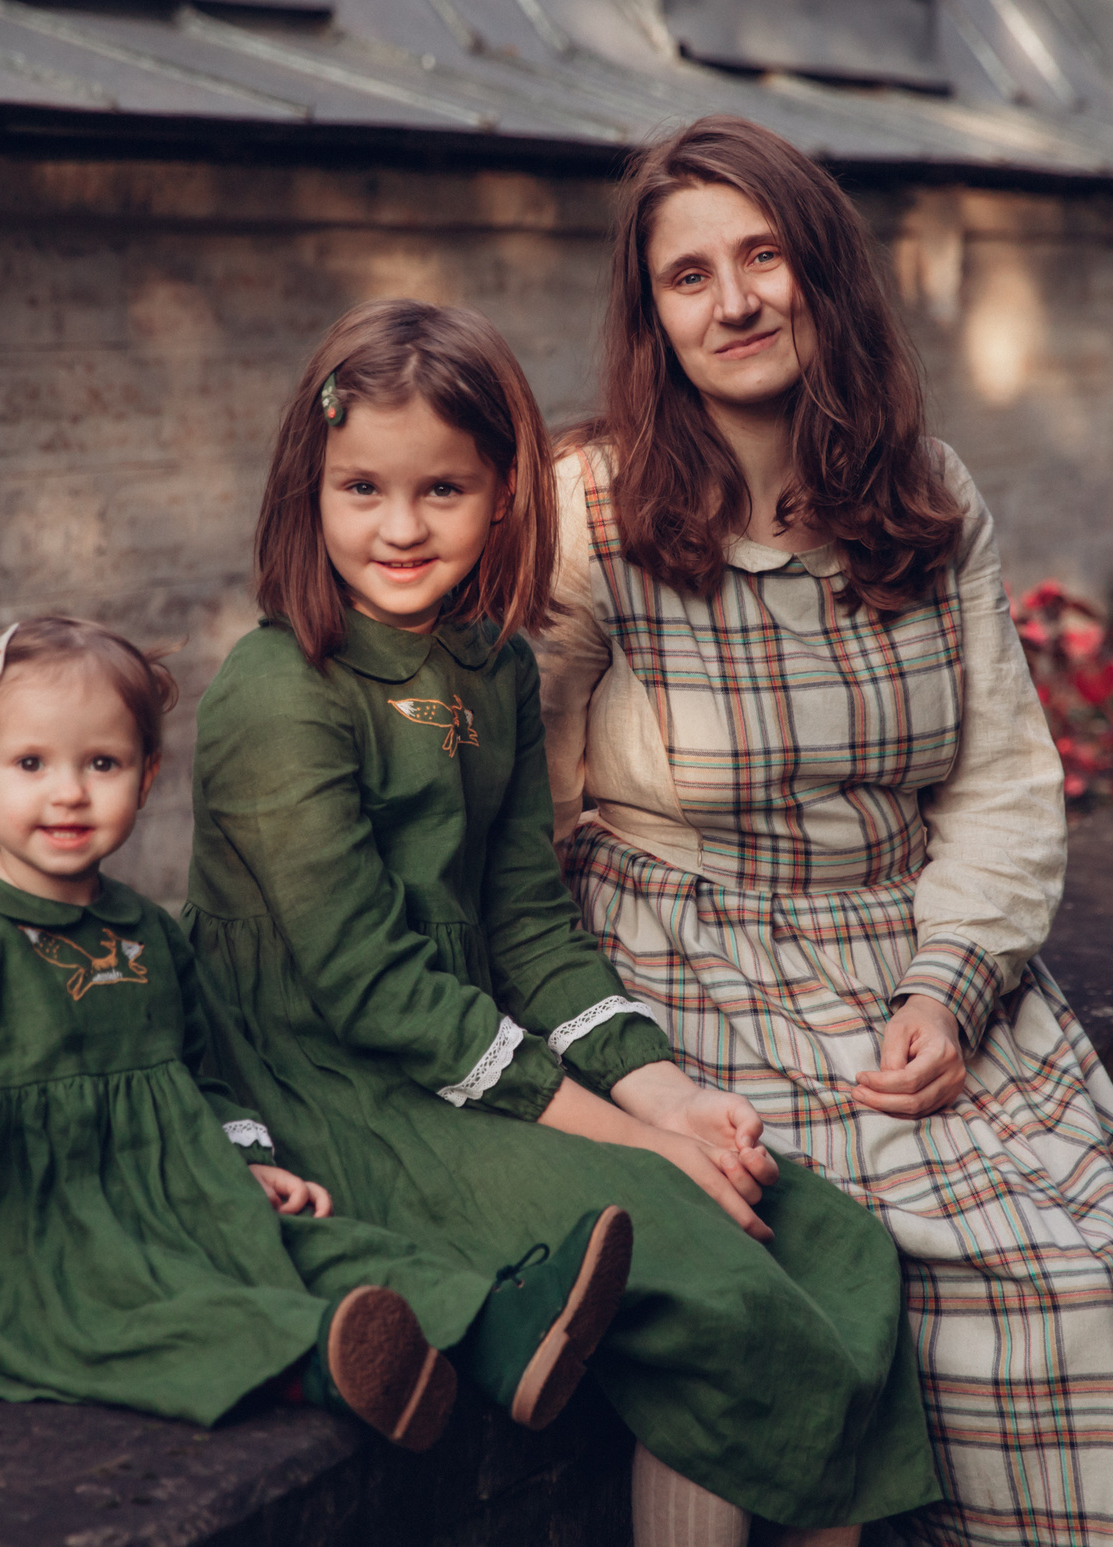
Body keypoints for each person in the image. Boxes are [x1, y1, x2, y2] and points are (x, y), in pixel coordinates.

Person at [535, 116, 1113, 1547]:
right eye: (688, 275)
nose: (732, 302)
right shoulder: (590, 507)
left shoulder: (926, 492)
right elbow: (508, 806)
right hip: (690, 955)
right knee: (820, 1268)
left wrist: (950, 981)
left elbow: (1005, 779)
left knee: (1086, 1279)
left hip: (905, 947)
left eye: (763, 256)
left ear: (822, 271)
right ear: (651, 315)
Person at [185, 298, 943, 1546]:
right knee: (692, 1262)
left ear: (503, 497)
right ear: (305, 491)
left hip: (464, 1064)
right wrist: (626, 1145)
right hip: (340, 1089)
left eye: (444, 489)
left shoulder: (488, 665)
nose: (399, 526)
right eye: (361, 488)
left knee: (831, 1241)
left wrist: (664, 1100)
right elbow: (371, 992)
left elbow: (529, 922)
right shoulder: (278, 698)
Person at [0, 614, 630, 1448]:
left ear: (148, 777)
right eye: (31, 763)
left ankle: (500, 1328)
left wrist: (248, 1159)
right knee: (142, 1302)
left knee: (305, 1241)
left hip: (155, 1189)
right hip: (23, 1210)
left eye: (101, 763)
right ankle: (324, 1366)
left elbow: (199, 1068)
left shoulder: (149, 933)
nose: (68, 790)